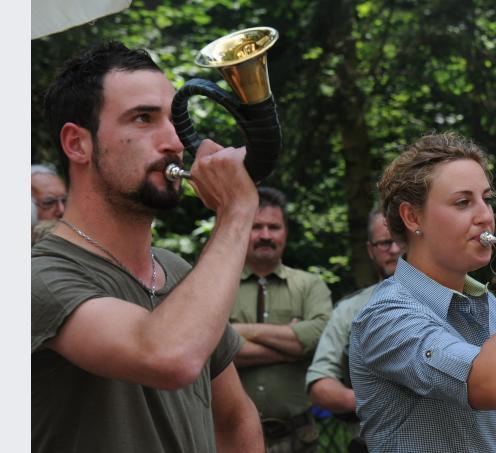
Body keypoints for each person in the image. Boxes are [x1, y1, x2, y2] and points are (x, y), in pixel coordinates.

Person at [32, 42, 264, 453]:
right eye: (143, 119)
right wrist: (237, 212)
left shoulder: (177, 270)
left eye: (173, 119)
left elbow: (234, 418)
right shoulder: (37, 277)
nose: (174, 141)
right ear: (77, 144)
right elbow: (168, 356)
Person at [349, 132, 496, 452]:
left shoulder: (487, 303)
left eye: (487, 199)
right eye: (463, 202)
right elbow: (493, 385)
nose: (486, 217)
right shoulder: (385, 317)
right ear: (412, 217)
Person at [230, 187, 333, 453]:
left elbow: (320, 336)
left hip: (298, 438)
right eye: (257, 227)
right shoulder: (219, 287)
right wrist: (292, 344)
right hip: (230, 438)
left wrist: (239, 330)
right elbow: (211, 347)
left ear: (285, 231)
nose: (265, 235)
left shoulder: (310, 285)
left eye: (273, 227)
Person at [305, 207, 402, 445]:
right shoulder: (349, 310)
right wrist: (371, 403)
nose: (395, 250)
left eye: (401, 241)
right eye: (385, 243)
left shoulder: (452, 298)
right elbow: (319, 383)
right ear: (370, 250)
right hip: (370, 442)